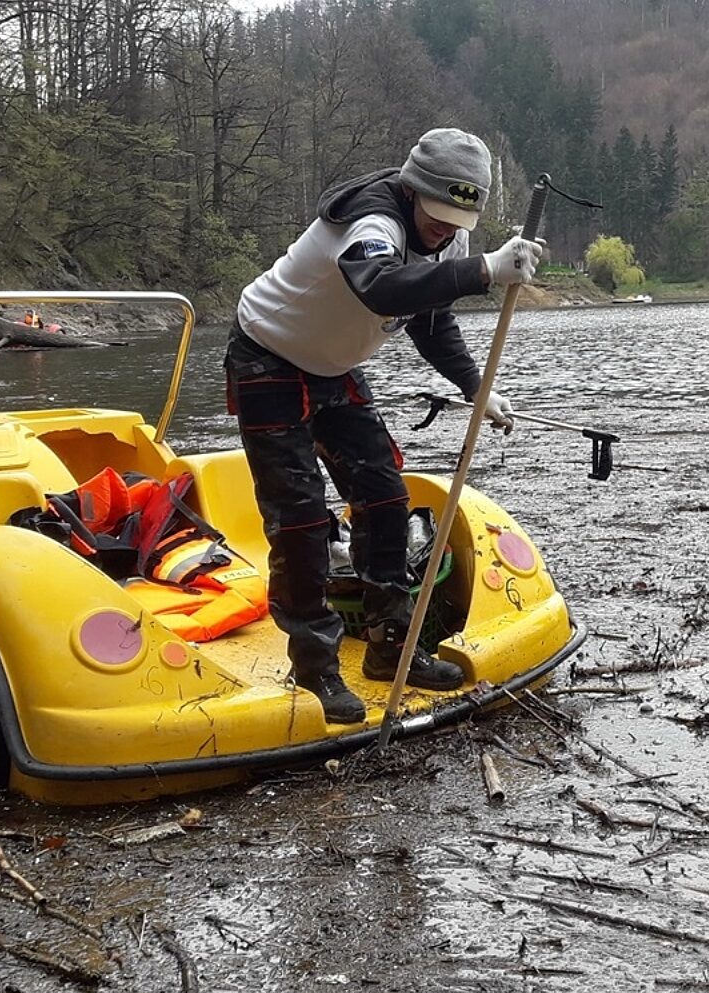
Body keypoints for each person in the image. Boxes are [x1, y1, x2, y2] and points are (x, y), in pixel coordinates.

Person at [225, 127, 542, 724]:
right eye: (438, 214)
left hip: (333, 368)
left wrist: (476, 389)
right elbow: (383, 289)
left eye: (458, 221)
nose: (445, 230)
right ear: (412, 189)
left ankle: (392, 648)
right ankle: (315, 669)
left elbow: (428, 321)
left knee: (385, 498)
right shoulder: (372, 222)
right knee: (299, 519)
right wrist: (484, 271)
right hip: (266, 357)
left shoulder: (446, 239)